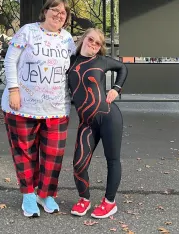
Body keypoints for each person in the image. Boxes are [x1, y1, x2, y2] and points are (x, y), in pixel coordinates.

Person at [2, 0, 76, 218]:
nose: (59, 14)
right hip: (22, 105)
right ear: (45, 11)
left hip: (56, 107)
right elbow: (10, 59)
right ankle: (28, 194)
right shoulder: (28, 31)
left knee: (53, 154)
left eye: (63, 13)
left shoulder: (68, 39)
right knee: (24, 151)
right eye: (55, 9)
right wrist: (14, 89)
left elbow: (76, 68)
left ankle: (46, 193)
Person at [68, 28, 128, 220]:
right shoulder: (69, 61)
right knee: (78, 164)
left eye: (98, 43)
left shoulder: (102, 61)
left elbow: (123, 68)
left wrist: (116, 88)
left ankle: (109, 203)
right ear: (83, 39)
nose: (93, 44)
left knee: (112, 160)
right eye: (90, 40)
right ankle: (84, 199)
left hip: (109, 116)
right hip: (87, 122)